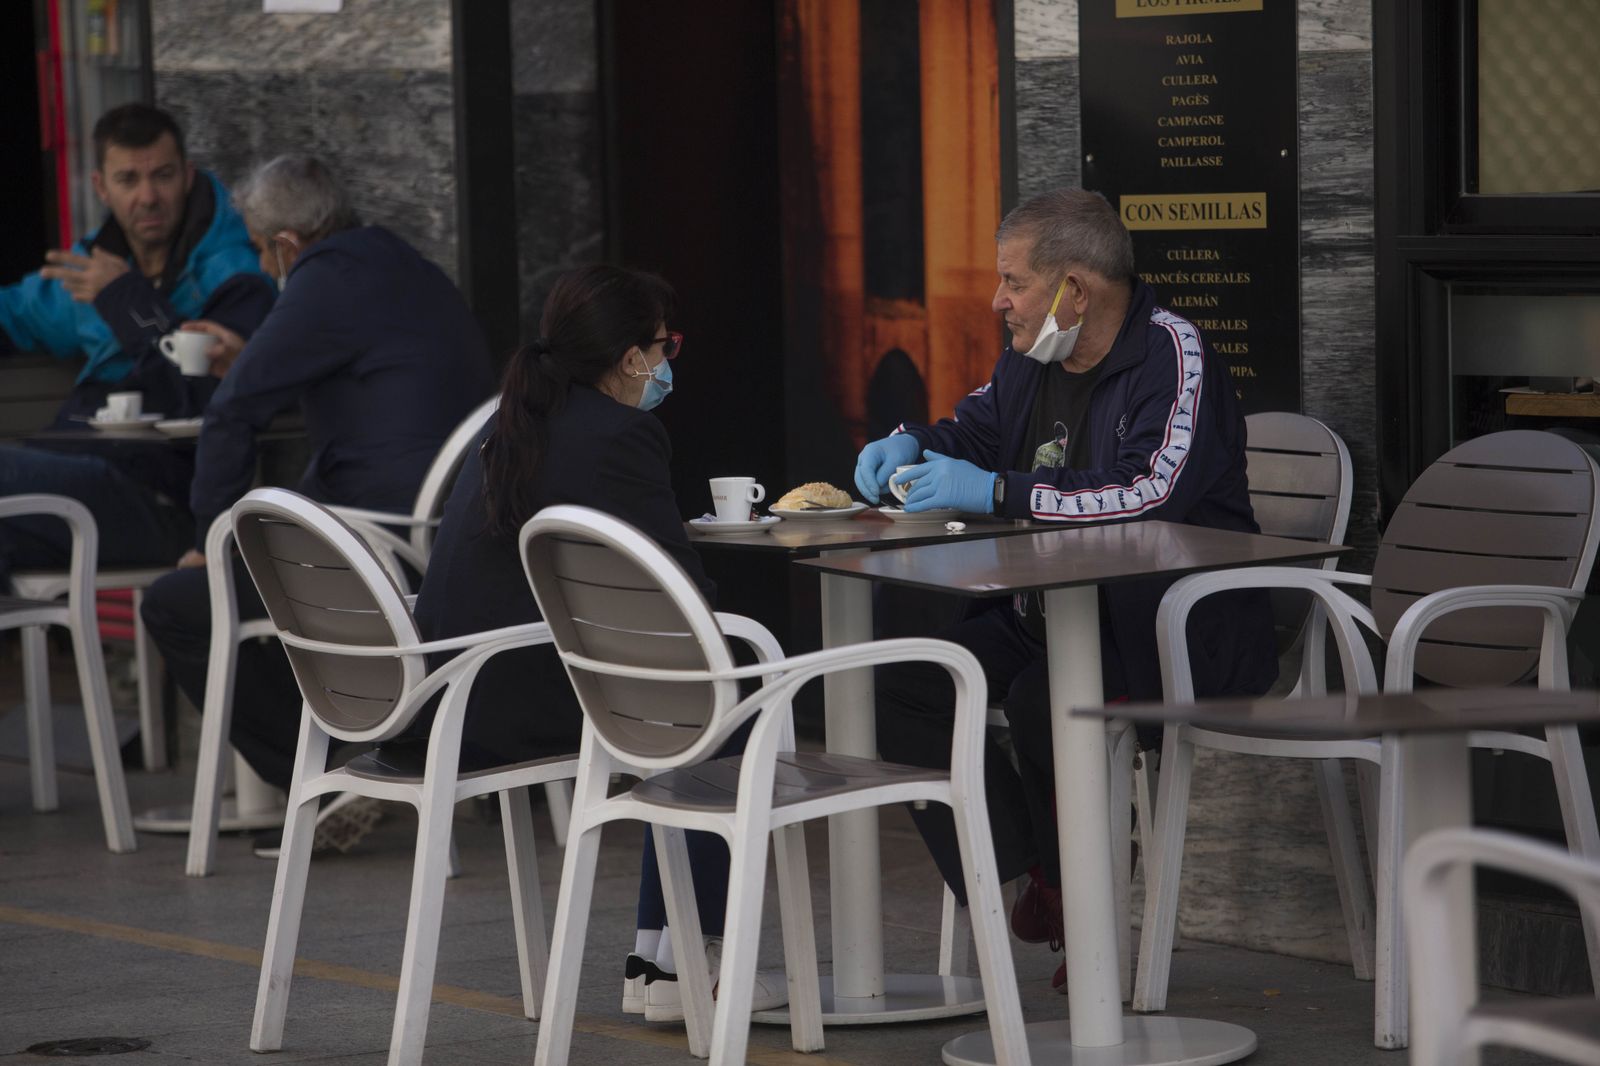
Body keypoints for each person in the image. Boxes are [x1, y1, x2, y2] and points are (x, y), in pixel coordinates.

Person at [855, 188, 1277, 988]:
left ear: (1074, 290)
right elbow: (968, 434)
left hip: (1165, 631)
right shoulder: (1028, 358)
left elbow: (1150, 491)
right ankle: (1028, 873)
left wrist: (998, 493)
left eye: (1012, 281)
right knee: (904, 676)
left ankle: (1071, 895)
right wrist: (909, 441)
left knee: (1044, 698)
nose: (997, 300)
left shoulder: (1173, 354)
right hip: (1047, 613)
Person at [408, 264, 785, 1020]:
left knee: (682, 693)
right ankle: (690, 965)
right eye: (664, 346)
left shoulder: (510, 421)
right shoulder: (623, 434)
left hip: (447, 694)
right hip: (517, 703)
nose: (669, 363)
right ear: (629, 359)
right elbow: (682, 604)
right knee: (727, 687)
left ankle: (659, 963)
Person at [139, 154, 494, 851]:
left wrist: (207, 539)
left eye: (258, 246)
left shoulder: (324, 278)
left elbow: (233, 414)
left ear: (289, 245)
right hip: (448, 540)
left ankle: (336, 776)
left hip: (376, 548)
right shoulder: (401, 264)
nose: (261, 262)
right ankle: (360, 758)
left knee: (180, 602)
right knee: (250, 571)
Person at [0, 102, 273, 583]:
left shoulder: (237, 275)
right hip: (75, 475)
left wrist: (127, 299)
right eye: (128, 180)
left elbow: (210, 385)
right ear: (101, 188)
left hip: (164, 497)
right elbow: (14, 313)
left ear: (188, 177)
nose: (148, 196)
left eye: (162, 176)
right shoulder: (95, 267)